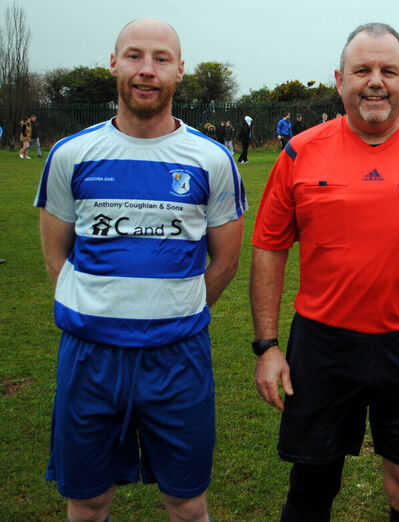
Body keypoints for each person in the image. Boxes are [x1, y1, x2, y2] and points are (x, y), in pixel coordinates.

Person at [250, 22, 399, 522]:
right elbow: (269, 249)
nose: (375, 81)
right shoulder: (298, 153)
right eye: (362, 70)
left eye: (388, 70)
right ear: (340, 80)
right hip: (323, 345)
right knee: (312, 484)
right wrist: (268, 346)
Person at [34, 18, 247, 522]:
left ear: (179, 71)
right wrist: (97, 309)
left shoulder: (212, 161)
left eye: (160, 59)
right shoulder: (71, 155)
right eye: (134, 56)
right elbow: (54, 257)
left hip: (178, 358)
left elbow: (227, 260)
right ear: (114, 63)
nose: (146, 70)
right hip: (90, 358)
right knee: (86, 503)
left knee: (187, 504)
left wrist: (174, 309)